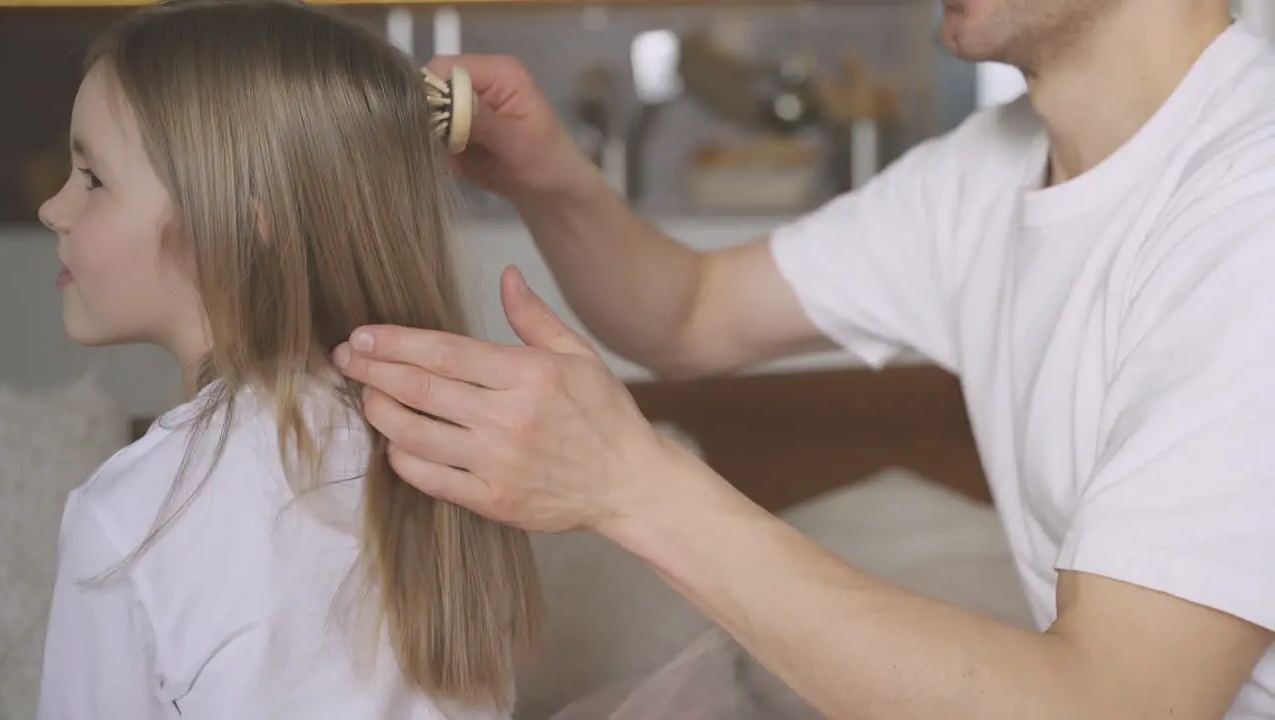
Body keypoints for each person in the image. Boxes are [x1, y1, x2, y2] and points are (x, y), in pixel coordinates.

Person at [333, 0, 1275, 717]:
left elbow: (1109, 704)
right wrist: (555, 177)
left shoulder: (1252, 201)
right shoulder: (985, 170)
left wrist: (634, 487)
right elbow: (690, 315)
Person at [34, 0, 543, 717]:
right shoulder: (447, 457)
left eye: (93, 178)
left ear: (247, 223)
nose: (54, 209)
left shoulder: (131, 517)